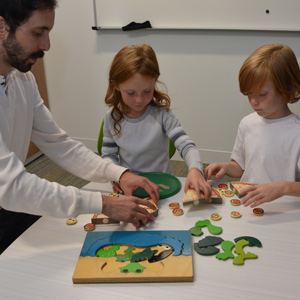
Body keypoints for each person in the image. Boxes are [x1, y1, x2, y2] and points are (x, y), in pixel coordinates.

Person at [0, 0, 160, 251]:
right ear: (2, 26)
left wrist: (119, 174)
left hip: (10, 203)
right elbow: (12, 186)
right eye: (37, 33)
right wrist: (103, 203)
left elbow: (59, 145)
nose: (46, 45)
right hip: (10, 195)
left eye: (48, 33)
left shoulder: (23, 79)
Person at [101, 44, 211, 199]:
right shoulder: (111, 118)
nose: (139, 100)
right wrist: (116, 175)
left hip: (162, 187)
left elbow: (187, 146)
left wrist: (195, 169)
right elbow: (108, 155)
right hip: (129, 188)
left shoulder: (162, 115)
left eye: (147, 91)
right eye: (131, 93)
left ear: (155, 81)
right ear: (116, 85)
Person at [205, 43, 300, 208]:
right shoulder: (247, 123)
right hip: (248, 205)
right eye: (249, 95)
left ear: (287, 89)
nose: (254, 102)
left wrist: (282, 187)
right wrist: (227, 167)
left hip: (285, 211)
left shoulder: (296, 132)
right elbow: (242, 168)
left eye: (262, 94)